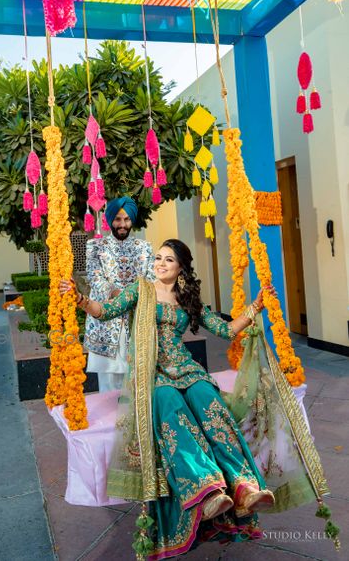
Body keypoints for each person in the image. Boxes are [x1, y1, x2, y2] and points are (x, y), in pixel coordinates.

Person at [61, 239, 277, 558]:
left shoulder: (187, 298)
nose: (160, 263)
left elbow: (227, 329)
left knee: (212, 406)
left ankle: (245, 488)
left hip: (187, 369)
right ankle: (207, 489)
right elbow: (104, 311)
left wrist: (256, 308)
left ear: (181, 269)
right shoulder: (140, 290)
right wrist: (79, 298)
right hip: (153, 373)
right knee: (174, 411)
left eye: (168, 260)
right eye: (158, 258)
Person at [84, 196, 155, 393]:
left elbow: (151, 279)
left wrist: (134, 297)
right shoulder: (95, 247)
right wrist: (120, 294)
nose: (122, 224)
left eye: (127, 219)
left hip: (137, 320)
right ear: (110, 220)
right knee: (108, 384)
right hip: (106, 322)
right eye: (117, 219)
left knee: (138, 381)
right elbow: (95, 277)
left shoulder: (145, 247)